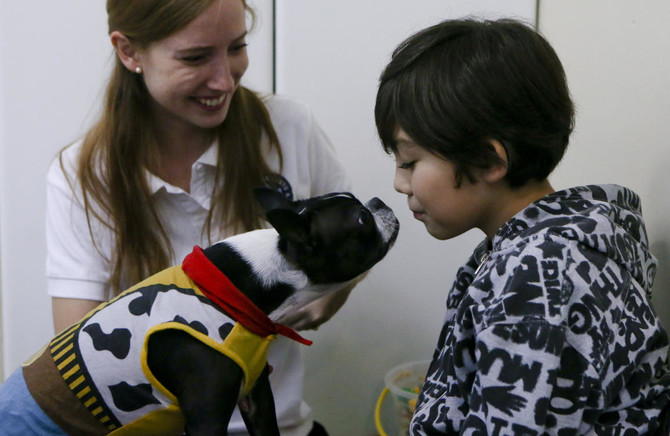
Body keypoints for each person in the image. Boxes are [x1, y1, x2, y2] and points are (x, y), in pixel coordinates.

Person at [43, 0, 352, 434]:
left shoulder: (288, 128)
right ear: (129, 52)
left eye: (237, 47)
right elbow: (82, 364)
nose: (225, 80)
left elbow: (359, 238)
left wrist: (334, 289)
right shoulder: (80, 177)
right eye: (194, 57)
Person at [374, 18, 670, 434]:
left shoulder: (540, 271)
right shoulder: (550, 249)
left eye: (409, 161)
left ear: (489, 160)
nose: (399, 182)